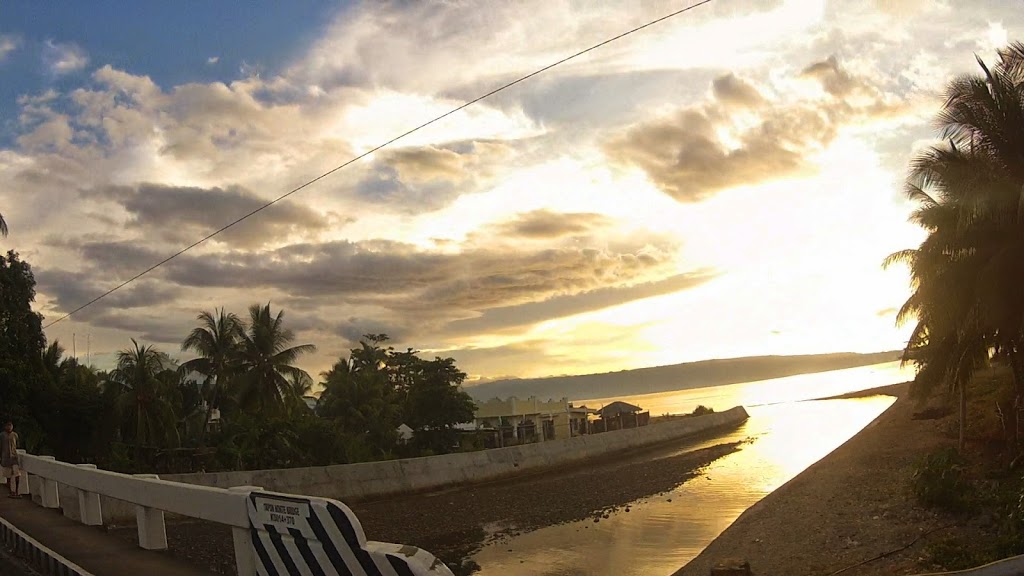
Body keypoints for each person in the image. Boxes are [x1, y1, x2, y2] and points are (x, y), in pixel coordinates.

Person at [1, 421, 20, 498]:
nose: (9, 427)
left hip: (14, 457)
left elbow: (16, 445)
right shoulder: (2, 435)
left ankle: (17, 491)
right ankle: (10, 492)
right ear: (5, 427)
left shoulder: (15, 435)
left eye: (10, 426)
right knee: (8, 476)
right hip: (5, 458)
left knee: (17, 474)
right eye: (8, 426)